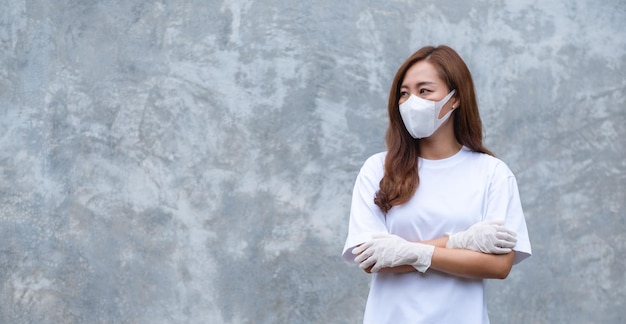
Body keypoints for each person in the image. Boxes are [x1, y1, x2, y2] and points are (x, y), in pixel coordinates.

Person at [342, 45, 531, 323]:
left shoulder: (492, 173)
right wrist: (460, 242)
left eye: (424, 91)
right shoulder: (377, 170)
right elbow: (372, 260)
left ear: (455, 99)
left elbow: (499, 265)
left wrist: (410, 252)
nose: (411, 102)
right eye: (403, 93)